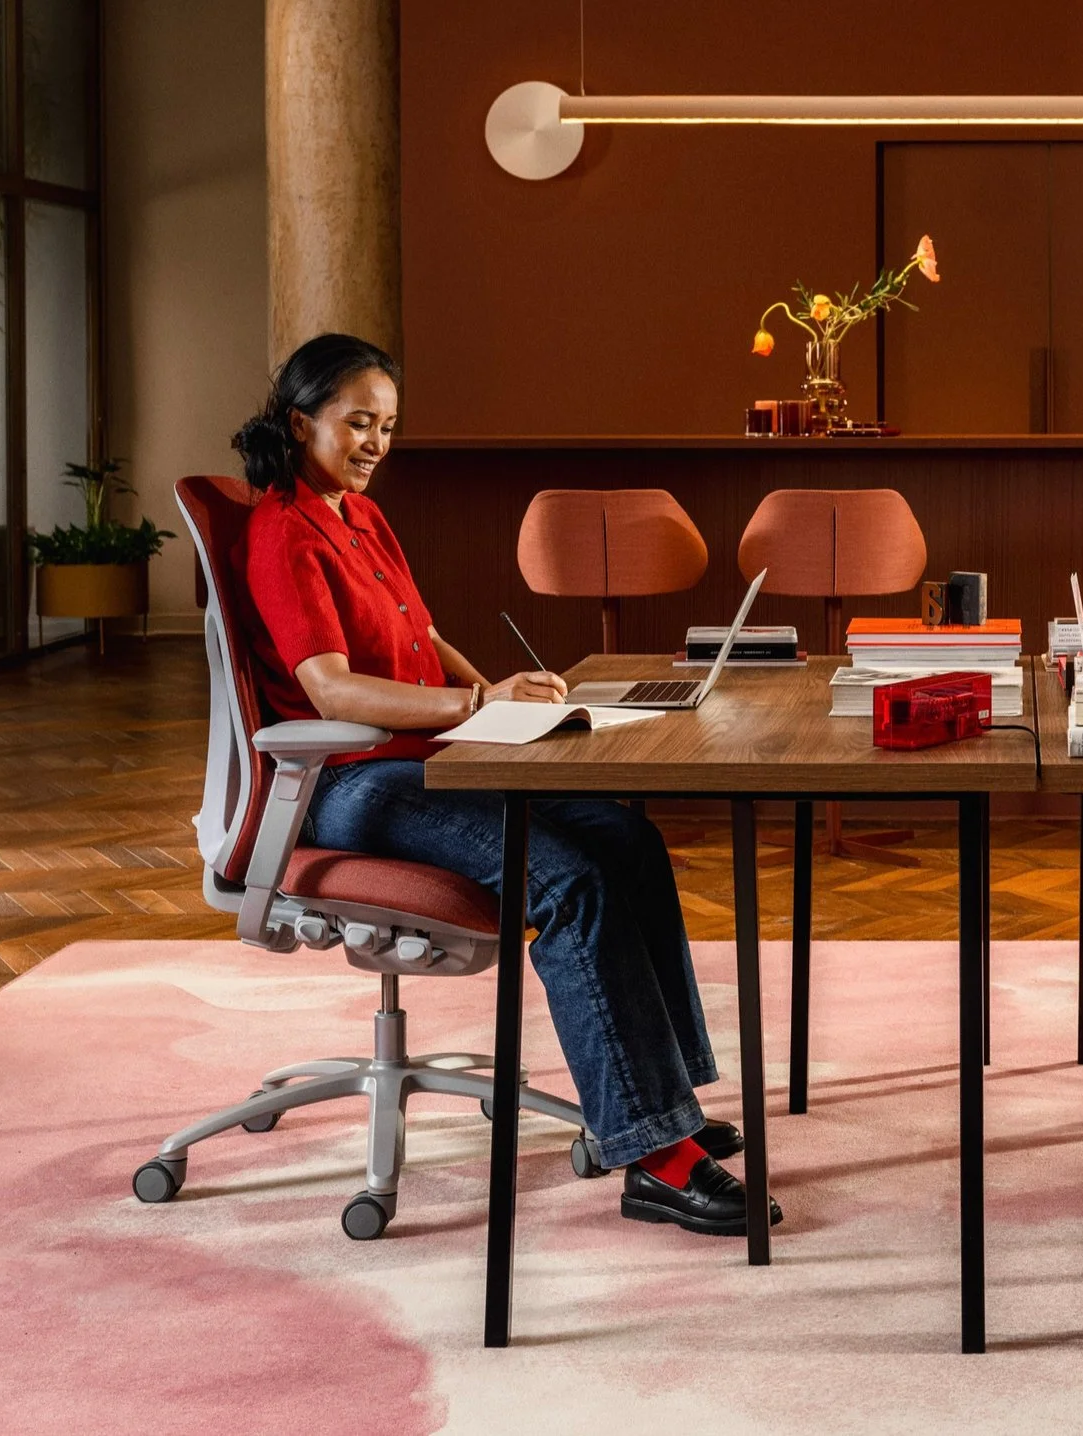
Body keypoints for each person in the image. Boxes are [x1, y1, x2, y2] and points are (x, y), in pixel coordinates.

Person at [234, 333, 777, 1236]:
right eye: (357, 423)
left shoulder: (358, 516)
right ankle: (653, 1155)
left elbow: (422, 629)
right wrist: (474, 701)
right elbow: (328, 687)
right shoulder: (283, 531)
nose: (376, 443)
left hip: (427, 760)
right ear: (301, 422)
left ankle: (661, 1100)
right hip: (349, 784)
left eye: (389, 426)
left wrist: (500, 698)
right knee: (570, 879)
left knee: (626, 838)